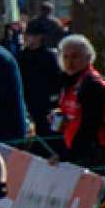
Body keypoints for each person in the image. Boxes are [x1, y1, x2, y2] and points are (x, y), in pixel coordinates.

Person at [54, 34, 105, 173]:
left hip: (96, 152)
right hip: (76, 148)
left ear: (88, 58)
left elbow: (89, 126)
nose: (69, 62)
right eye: (65, 57)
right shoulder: (68, 80)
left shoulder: (93, 84)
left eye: (75, 56)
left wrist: (66, 156)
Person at [18, 18, 63, 150]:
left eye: (34, 35)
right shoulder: (21, 56)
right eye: (29, 35)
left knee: (45, 140)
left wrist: (52, 102)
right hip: (26, 103)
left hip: (44, 106)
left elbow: (57, 81)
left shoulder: (49, 56)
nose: (31, 38)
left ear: (40, 37)